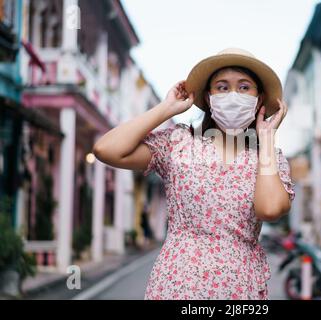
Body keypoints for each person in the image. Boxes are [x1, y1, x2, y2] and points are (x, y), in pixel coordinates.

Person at [93, 48, 296, 300]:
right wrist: (166, 108)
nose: (233, 95)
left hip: (239, 290)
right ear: (209, 99)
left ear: (259, 98)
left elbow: (270, 209)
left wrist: (266, 138)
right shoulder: (178, 143)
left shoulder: (269, 159)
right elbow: (106, 149)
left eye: (244, 87)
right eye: (222, 87)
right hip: (177, 286)